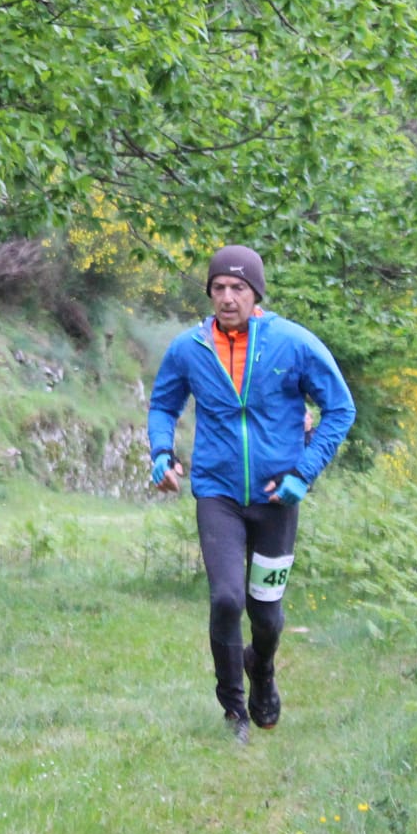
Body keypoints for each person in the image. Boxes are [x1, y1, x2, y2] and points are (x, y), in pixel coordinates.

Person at [147, 245, 355, 744]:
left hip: (276, 499)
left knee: (267, 614)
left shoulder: (293, 344)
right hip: (217, 493)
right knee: (225, 599)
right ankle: (234, 711)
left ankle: (261, 670)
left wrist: (302, 474)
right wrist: (161, 453)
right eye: (218, 288)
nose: (227, 297)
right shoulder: (188, 349)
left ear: (255, 293)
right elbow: (163, 405)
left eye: (237, 288)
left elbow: (340, 409)